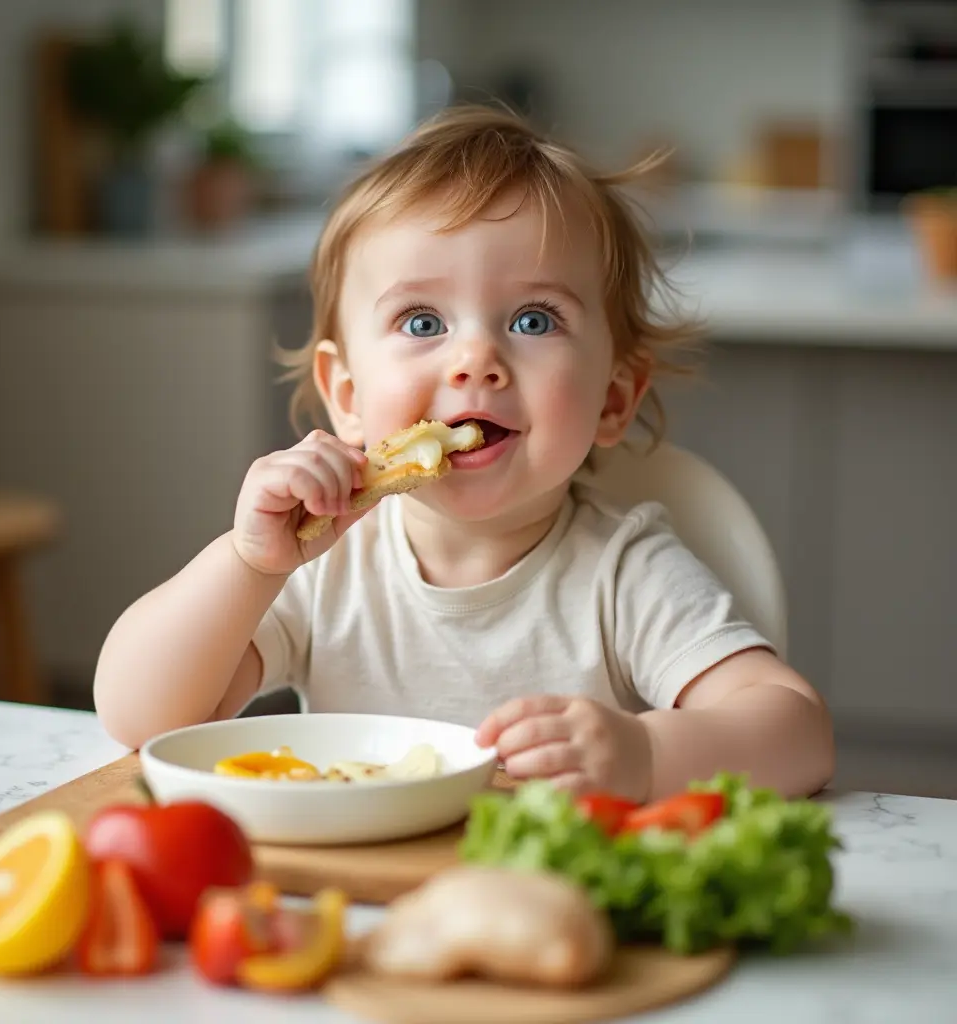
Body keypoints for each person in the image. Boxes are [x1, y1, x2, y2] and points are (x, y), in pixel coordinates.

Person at [93, 105, 834, 801]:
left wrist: (642, 754)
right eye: (421, 322)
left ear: (612, 399)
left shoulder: (622, 571)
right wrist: (249, 565)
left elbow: (798, 733)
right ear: (346, 398)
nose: (476, 358)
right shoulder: (323, 565)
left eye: (534, 318)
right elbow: (139, 718)